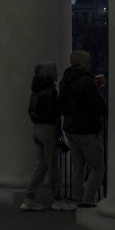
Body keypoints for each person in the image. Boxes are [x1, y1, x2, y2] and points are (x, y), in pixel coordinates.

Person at [21, 62, 76, 211]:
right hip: (48, 130)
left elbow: (31, 110)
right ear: (49, 74)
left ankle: (29, 198)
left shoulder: (36, 89)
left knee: (41, 165)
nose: (57, 74)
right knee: (53, 166)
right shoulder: (51, 90)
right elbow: (54, 112)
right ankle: (58, 200)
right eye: (56, 71)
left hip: (37, 130)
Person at [59, 50, 108, 207]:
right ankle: (87, 201)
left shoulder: (64, 81)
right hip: (86, 129)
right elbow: (100, 106)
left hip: (70, 129)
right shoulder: (87, 82)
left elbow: (67, 103)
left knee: (78, 168)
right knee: (98, 167)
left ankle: (80, 199)